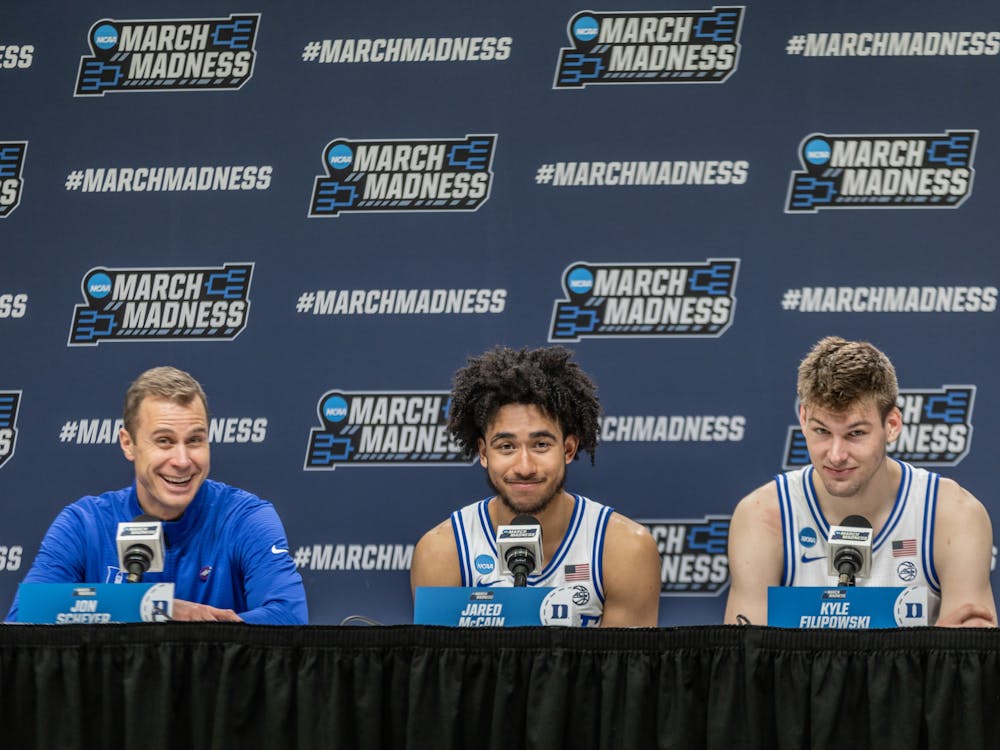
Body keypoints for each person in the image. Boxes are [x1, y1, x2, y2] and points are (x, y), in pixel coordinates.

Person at [725, 336, 996, 627]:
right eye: (821, 431)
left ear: (891, 425)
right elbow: (747, 660)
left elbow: (967, 660)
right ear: (803, 419)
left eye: (855, 433)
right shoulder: (762, 516)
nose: (836, 454)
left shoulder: (953, 515)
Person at [6, 366, 307, 624]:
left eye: (195, 440)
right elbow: (26, 615)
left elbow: (289, 616)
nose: (182, 460)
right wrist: (156, 607)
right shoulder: (84, 523)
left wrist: (202, 631)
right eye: (164, 441)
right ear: (128, 443)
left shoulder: (245, 518)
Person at [410, 345, 661, 627]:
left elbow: (623, 670)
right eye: (506, 447)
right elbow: (442, 669)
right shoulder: (444, 550)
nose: (525, 467)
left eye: (540, 445)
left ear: (568, 448)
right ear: (483, 453)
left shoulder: (624, 549)